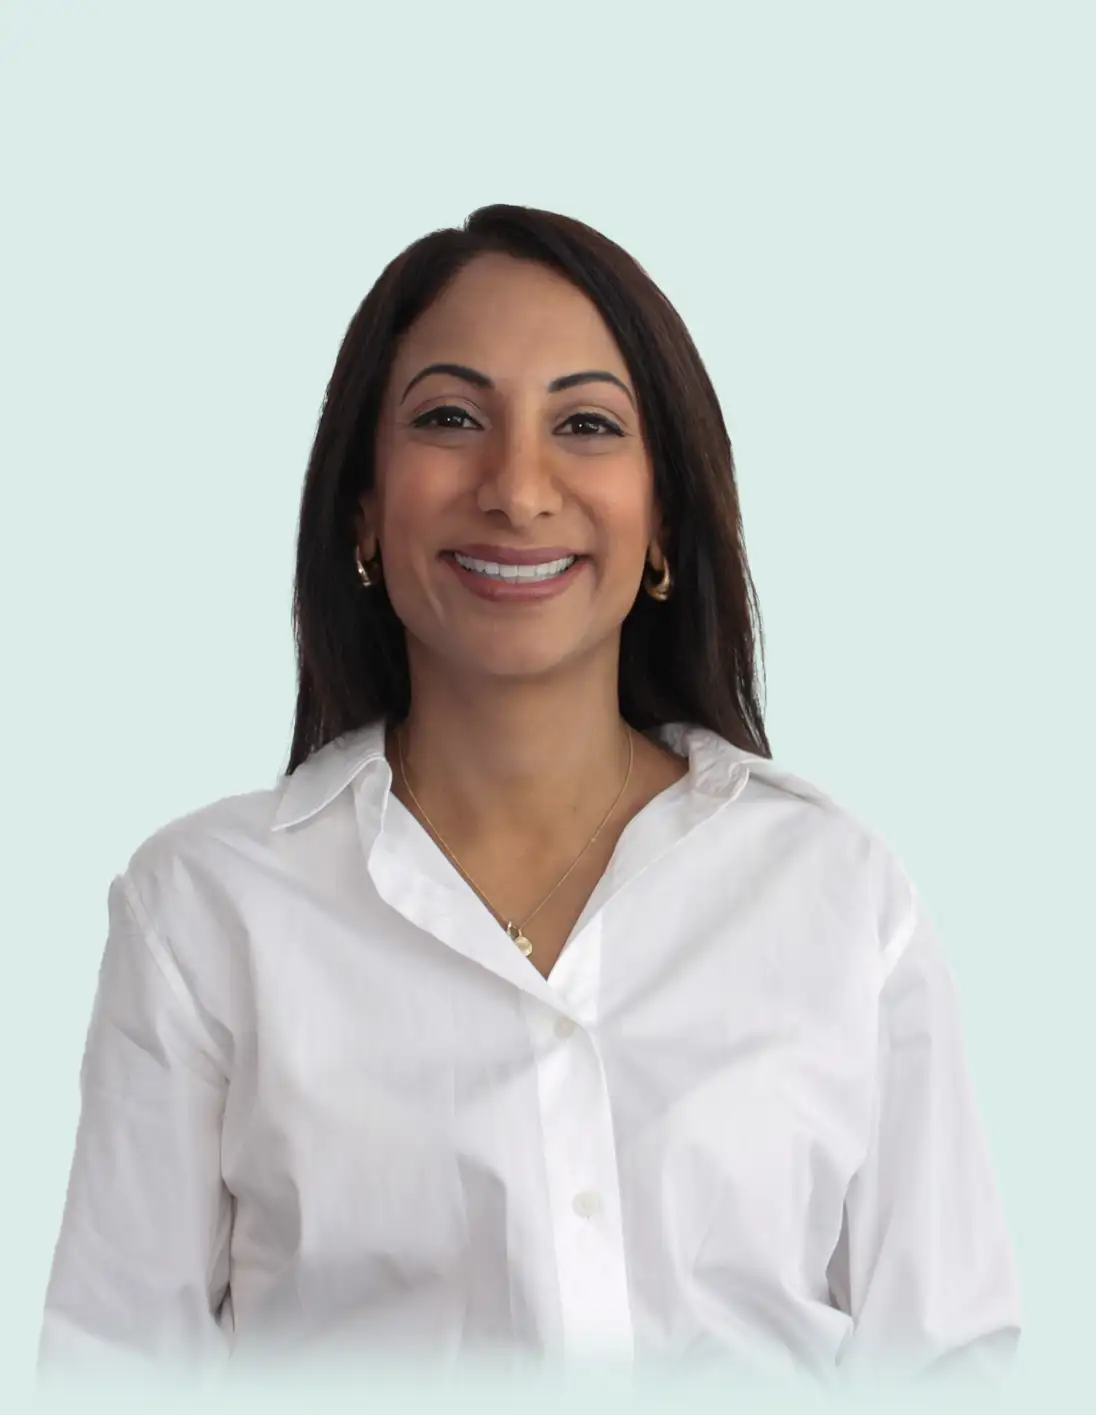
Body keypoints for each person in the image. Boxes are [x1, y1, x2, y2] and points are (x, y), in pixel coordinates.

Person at [39, 204, 1021, 1387]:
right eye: (450, 418)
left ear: (663, 517)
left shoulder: (836, 892)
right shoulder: (202, 908)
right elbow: (111, 1376)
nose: (516, 486)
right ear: (362, 503)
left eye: (587, 424)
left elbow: (952, 1369)